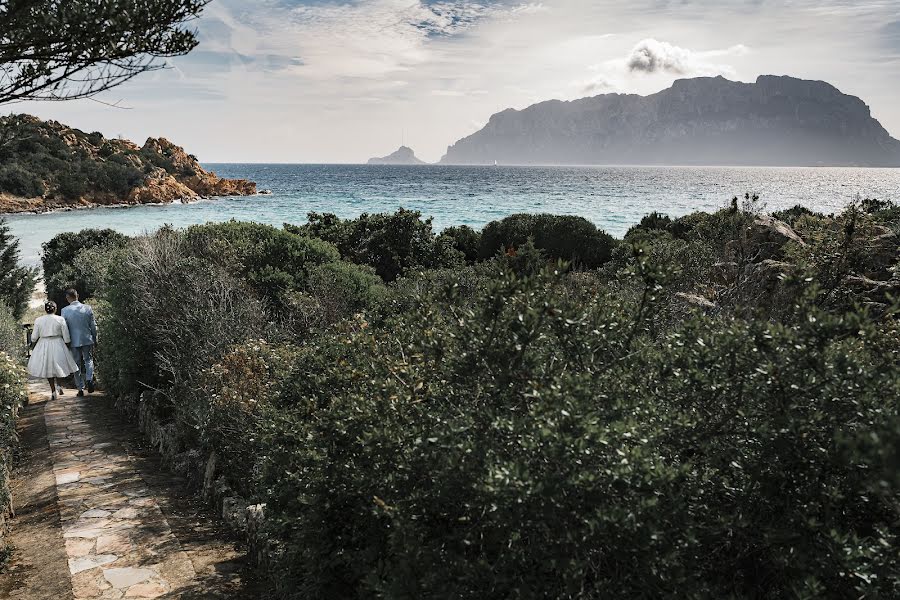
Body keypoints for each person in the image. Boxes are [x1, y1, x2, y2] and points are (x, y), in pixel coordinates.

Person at [27, 301, 79, 400]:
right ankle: (59, 385)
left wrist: (34, 342)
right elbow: (66, 336)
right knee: (59, 365)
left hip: (44, 344)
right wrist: (67, 343)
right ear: (55, 309)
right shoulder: (60, 319)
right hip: (58, 343)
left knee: (48, 368)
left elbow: (34, 337)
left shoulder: (39, 320)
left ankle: (53, 390)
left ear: (45, 309)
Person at [61, 288, 97, 397]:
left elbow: (64, 328)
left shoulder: (65, 310)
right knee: (88, 360)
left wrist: (65, 341)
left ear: (68, 298)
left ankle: (80, 388)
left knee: (76, 365)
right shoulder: (87, 308)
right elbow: (93, 326)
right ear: (78, 295)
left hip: (73, 341)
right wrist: (95, 338)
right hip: (87, 339)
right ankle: (89, 379)